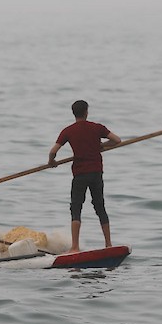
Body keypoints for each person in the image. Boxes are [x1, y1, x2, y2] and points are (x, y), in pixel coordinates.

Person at [48, 100, 121, 252]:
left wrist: (51, 161)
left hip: (80, 174)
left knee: (76, 208)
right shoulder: (97, 127)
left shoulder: (68, 131)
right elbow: (117, 140)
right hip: (96, 173)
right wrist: (101, 146)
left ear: (73, 113)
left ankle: (75, 247)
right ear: (86, 112)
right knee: (100, 207)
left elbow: (53, 151)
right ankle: (108, 244)